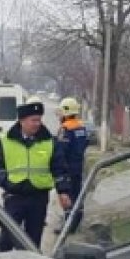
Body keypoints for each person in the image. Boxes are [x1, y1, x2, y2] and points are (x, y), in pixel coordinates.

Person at [0, 98, 71, 250]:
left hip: (38, 198)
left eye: (39, 120)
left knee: (32, 242)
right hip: (14, 198)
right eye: (34, 120)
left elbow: (59, 168)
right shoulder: (5, 141)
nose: (37, 124)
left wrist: (63, 191)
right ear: (22, 121)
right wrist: (7, 182)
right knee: (6, 239)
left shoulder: (49, 142)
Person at [53, 96, 89, 233]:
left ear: (65, 112)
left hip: (67, 168)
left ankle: (68, 225)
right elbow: (85, 144)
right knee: (77, 194)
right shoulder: (81, 127)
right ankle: (77, 221)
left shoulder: (65, 129)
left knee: (67, 197)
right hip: (78, 167)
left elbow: (61, 150)